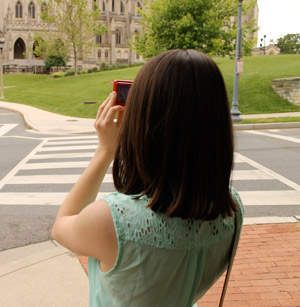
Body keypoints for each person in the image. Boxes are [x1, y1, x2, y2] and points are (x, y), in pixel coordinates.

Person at [52, 49, 244, 306]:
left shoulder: (114, 220)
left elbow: (62, 225)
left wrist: (105, 151)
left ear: (143, 120)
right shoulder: (231, 208)